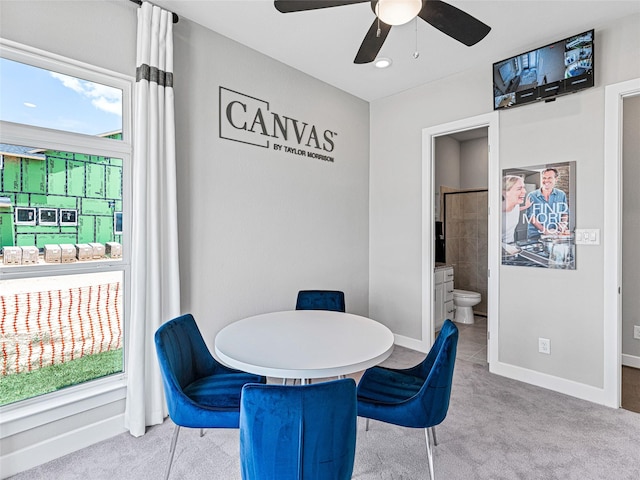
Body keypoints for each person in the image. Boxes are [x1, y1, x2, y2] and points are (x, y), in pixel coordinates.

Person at [525, 168, 569, 239]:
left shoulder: (561, 194)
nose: (546, 180)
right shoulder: (532, 195)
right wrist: (545, 230)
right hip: (536, 236)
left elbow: (565, 213)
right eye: (544, 178)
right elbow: (531, 217)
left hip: (556, 234)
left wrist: (563, 223)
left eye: (549, 178)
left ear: (556, 179)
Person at [502, 175, 531, 244]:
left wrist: (526, 206)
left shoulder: (516, 205)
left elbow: (515, 210)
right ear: (504, 192)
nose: (524, 191)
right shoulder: (496, 212)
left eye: (524, 188)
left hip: (510, 246)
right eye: (519, 189)